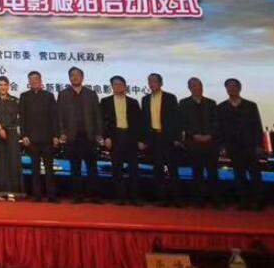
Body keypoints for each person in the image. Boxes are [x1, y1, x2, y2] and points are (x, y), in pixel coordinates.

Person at [217, 78, 264, 210]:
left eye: (234, 86)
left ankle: (258, 201)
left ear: (240, 88)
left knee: (255, 175)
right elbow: (220, 129)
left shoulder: (250, 106)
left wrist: (259, 145)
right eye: (229, 86)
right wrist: (222, 146)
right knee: (239, 175)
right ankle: (244, 202)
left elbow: (257, 126)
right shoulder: (221, 107)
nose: (231, 88)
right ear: (226, 89)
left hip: (250, 146)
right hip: (233, 147)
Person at [57, 66, 103, 204]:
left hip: (89, 136)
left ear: (82, 77)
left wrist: (99, 133)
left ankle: (95, 196)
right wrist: (62, 133)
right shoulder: (63, 94)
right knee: (75, 168)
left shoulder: (91, 94)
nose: (75, 77)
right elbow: (59, 116)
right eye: (72, 75)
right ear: (69, 78)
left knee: (92, 168)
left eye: (77, 75)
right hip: (72, 136)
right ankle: (77, 196)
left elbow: (97, 115)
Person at [101, 75, 142, 205]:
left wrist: (140, 140)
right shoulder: (105, 101)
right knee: (117, 168)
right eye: (115, 84)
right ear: (112, 87)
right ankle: (120, 197)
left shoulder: (133, 102)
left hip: (130, 137)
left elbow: (139, 123)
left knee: (134, 169)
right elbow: (102, 122)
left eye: (120, 84)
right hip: (115, 137)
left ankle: (134, 197)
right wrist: (106, 137)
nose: (117, 86)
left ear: (125, 86)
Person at [141, 73, 181, 206]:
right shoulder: (145, 99)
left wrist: (177, 137)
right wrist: (145, 140)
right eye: (150, 81)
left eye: (154, 81)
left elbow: (177, 119)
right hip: (153, 138)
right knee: (158, 169)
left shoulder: (170, 98)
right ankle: (162, 198)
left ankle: (176, 198)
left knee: (172, 169)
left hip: (168, 138)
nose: (151, 84)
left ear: (161, 83)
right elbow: (144, 121)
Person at [179, 77, 220, 207]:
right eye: (193, 86)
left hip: (210, 143)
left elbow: (216, 122)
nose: (197, 88)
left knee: (213, 172)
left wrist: (210, 135)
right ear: (189, 88)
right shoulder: (183, 103)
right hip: (193, 143)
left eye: (199, 85)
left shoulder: (211, 103)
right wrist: (194, 135)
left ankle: (216, 200)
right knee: (197, 172)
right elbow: (182, 123)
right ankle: (199, 200)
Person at [19, 71, 59, 203]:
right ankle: (37, 195)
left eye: (36, 79)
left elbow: (54, 117)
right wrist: (24, 135)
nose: (34, 81)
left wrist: (56, 135)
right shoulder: (24, 96)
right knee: (34, 168)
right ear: (28, 82)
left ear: (41, 80)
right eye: (31, 79)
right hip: (32, 138)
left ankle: (52, 195)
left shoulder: (49, 96)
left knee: (49, 168)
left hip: (47, 138)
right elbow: (22, 118)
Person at [0, 76, 23, 201]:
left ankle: (12, 191)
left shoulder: (15, 100)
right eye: (0, 85)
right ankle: (0, 191)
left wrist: (6, 128)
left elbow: (15, 117)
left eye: (4, 85)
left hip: (12, 133)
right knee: (0, 161)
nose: (2, 87)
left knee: (12, 161)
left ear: (8, 86)